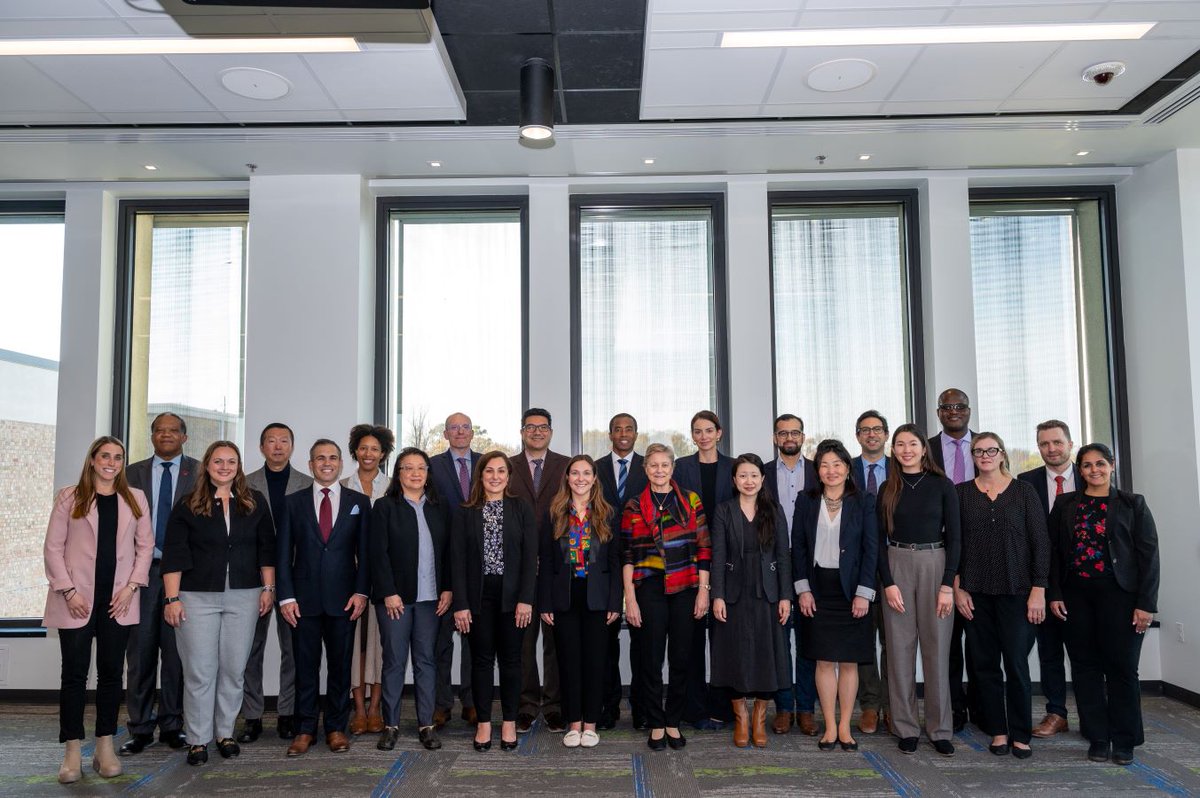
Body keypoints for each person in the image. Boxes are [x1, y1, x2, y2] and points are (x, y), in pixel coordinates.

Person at [44, 436, 154, 783]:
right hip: (76, 602)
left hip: (117, 602)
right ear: (92, 460)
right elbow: (52, 548)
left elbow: (146, 547)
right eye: (104, 455)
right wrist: (69, 590)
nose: (111, 462)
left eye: (118, 457)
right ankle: (73, 751)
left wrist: (132, 587)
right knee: (74, 676)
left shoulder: (135, 499)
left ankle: (104, 746)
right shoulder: (69, 496)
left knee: (111, 675)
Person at [162, 441, 276, 766]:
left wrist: (268, 588)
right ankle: (198, 740)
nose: (224, 467)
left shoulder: (254, 502)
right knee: (200, 670)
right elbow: (174, 555)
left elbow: (267, 548)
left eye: (231, 461)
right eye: (218, 461)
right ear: (207, 465)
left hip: (245, 594)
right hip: (196, 597)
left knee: (234, 668)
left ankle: (225, 732)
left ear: (239, 466)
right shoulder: (188, 505)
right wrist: (172, 598)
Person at [1048, 443, 1159, 766]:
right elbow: (1053, 554)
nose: (1093, 470)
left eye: (1100, 464)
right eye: (1086, 465)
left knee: (1123, 669)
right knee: (1085, 668)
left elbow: (1149, 557)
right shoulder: (1066, 504)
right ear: (1079, 470)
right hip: (1076, 597)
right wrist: (1054, 593)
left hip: (1120, 597)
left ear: (1112, 465)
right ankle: (1097, 737)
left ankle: (1125, 740)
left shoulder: (1132, 504)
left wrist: (1145, 604)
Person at [955, 433, 1050, 760]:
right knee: (984, 667)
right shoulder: (961, 494)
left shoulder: (1024, 492)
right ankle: (998, 730)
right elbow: (954, 546)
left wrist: (1039, 589)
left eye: (990, 450)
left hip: (1017, 592)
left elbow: (1041, 543)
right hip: (975, 594)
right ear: (973, 456)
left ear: (1001, 454)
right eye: (978, 451)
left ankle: (1021, 734)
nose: (984, 455)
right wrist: (957, 588)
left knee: (1016, 665)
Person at [278, 440, 371, 757]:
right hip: (302, 602)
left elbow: (365, 553)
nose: (327, 463)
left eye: (332, 457)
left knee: (340, 668)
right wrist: (286, 597)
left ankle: (335, 728)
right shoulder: (293, 503)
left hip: (345, 601)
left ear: (341, 463)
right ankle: (304, 730)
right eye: (320, 458)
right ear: (310, 463)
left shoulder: (359, 502)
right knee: (305, 668)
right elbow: (283, 556)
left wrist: (361, 592)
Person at [877, 424, 960, 756]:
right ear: (893, 450)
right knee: (898, 650)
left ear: (924, 449)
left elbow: (956, 539)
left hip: (934, 563)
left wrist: (947, 585)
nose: (906, 449)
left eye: (912, 443)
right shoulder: (887, 487)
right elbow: (877, 541)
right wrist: (888, 583)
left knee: (937, 649)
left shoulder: (943, 486)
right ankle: (905, 726)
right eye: (900, 444)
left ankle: (940, 729)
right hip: (897, 564)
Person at [622, 443, 711, 752]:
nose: (659, 470)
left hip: (686, 587)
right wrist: (629, 599)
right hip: (649, 588)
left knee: (682, 658)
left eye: (664, 465)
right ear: (645, 470)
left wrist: (703, 590)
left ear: (673, 469)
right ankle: (656, 723)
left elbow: (703, 548)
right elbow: (627, 555)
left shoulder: (691, 500)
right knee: (650, 658)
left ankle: (673, 721)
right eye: (653, 465)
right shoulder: (634, 505)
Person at [793, 441, 879, 752]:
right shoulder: (806, 500)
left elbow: (872, 550)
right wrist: (802, 589)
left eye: (837, 464)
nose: (831, 470)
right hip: (818, 590)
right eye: (825, 465)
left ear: (847, 467)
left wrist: (864, 593)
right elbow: (798, 548)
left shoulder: (864, 501)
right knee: (825, 661)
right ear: (818, 471)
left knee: (851, 662)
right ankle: (829, 725)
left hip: (852, 591)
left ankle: (846, 726)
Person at [121, 412, 198, 756]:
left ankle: (172, 724)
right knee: (139, 653)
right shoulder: (131, 473)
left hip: (183, 574)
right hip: (141, 574)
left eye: (173, 431)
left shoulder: (199, 472)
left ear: (184, 437)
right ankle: (139, 728)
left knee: (177, 655)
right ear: (151, 437)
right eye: (159, 431)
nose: (166, 435)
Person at [451, 451, 538, 751]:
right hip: (477, 600)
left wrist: (526, 599)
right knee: (482, 661)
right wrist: (460, 603)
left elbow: (530, 559)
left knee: (512, 661)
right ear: (480, 475)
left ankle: (510, 723)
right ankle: (485, 723)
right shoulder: (465, 512)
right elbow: (457, 563)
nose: (496, 476)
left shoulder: (521, 509)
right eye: (490, 471)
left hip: (514, 600)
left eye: (502, 471)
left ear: (509, 476)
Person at [371, 447, 452, 751]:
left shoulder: (440, 506)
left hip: (432, 598)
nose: (416, 473)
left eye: (421, 468)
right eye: (408, 468)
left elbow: (448, 553)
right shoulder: (384, 507)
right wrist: (388, 592)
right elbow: (377, 555)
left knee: (426, 661)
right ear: (399, 473)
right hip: (396, 600)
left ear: (428, 474)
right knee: (393, 661)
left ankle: (426, 725)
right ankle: (390, 725)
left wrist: (448, 588)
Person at [538, 455, 622, 748]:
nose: (581, 478)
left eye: (587, 473)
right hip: (564, 597)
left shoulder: (608, 512)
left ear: (595, 478)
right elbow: (546, 562)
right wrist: (545, 603)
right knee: (568, 663)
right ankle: (573, 723)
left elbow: (615, 560)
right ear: (568, 478)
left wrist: (616, 601)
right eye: (575, 473)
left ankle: (591, 724)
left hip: (598, 598)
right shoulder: (554, 512)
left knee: (595, 663)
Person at [709, 454, 791, 749]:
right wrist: (716, 595)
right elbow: (717, 556)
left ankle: (759, 719)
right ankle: (741, 717)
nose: (748, 481)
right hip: (733, 594)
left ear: (762, 479)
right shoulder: (723, 511)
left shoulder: (774, 510)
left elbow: (783, 556)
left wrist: (785, 596)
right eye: (742, 476)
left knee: (766, 656)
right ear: (734, 480)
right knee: (735, 655)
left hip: (767, 593)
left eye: (754, 475)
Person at [242, 422, 312, 742]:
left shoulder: (307, 485)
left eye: (284, 440)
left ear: (292, 447)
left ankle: (287, 713)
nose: (278, 446)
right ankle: (252, 716)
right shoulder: (243, 484)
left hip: (295, 577)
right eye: (271, 441)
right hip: (253, 577)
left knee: (292, 651)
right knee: (250, 649)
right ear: (261, 447)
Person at [508, 408, 569, 732]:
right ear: (521, 432)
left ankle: (555, 705)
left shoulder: (565, 466)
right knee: (522, 642)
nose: (536, 432)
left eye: (542, 427)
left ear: (550, 431)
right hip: (518, 568)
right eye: (530, 427)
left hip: (556, 567)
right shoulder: (508, 466)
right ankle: (526, 705)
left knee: (555, 641)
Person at [1018, 420, 1080, 739]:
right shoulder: (1026, 482)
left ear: (1070, 444)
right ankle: (1057, 712)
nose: (1051, 449)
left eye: (1057, 442)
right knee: (1049, 651)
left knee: (1087, 653)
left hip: (1084, 583)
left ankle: (1094, 713)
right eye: (1044, 444)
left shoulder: (1091, 477)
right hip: (1041, 581)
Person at [674, 410, 734, 731]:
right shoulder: (681, 468)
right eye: (697, 431)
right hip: (690, 559)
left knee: (722, 638)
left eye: (708, 430)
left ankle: (721, 707)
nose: (703, 436)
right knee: (692, 638)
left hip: (727, 560)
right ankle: (694, 707)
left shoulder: (734, 467)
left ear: (719, 433)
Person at [762, 413, 819, 736]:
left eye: (794, 432)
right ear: (775, 438)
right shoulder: (764, 474)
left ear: (803, 436)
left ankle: (807, 709)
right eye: (783, 433)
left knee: (809, 640)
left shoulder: (818, 471)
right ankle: (784, 708)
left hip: (811, 564)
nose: (789, 438)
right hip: (774, 563)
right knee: (780, 641)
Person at [928, 388, 980, 732]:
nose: (954, 411)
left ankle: (983, 707)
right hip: (939, 552)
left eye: (960, 406)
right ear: (938, 412)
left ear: (969, 410)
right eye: (947, 407)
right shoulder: (925, 450)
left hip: (981, 552)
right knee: (946, 642)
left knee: (980, 641)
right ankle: (954, 710)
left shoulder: (985, 447)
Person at [341, 423, 396, 736]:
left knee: (378, 645)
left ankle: (375, 710)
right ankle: (358, 709)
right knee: (355, 649)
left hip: (383, 580)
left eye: (375, 449)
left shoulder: (392, 487)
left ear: (384, 453)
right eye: (363, 448)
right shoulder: (341, 486)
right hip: (348, 579)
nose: (368, 454)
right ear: (355, 451)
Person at [595, 413, 647, 730]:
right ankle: (608, 706)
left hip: (642, 563)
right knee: (606, 643)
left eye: (629, 428)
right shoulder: (596, 468)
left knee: (643, 643)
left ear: (636, 433)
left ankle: (642, 708)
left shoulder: (649, 466)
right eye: (618, 429)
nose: (623, 433)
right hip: (604, 564)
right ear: (610, 434)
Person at [429, 412, 482, 727]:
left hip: (478, 567)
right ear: (446, 434)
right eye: (454, 428)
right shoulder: (432, 467)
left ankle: (472, 702)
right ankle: (442, 703)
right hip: (439, 564)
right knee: (441, 642)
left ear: (472, 433)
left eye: (465, 427)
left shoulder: (487, 464)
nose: (460, 432)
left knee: (475, 642)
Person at [851, 410, 890, 735]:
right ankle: (870, 705)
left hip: (895, 565)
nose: (871, 435)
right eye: (865, 430)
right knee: (863, 640)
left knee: (894, 640)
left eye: (877, 429)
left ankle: (893, 705)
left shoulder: (903, 469)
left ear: (886, 434)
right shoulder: (844, 470)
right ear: (858, 436)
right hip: (859, 566)